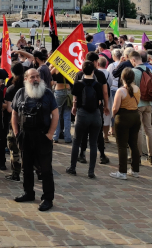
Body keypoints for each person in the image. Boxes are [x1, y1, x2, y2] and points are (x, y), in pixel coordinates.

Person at [11, 68, 59, 211]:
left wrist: (50, 134)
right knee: (26, 167)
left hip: (42, 135)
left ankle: (48, 198)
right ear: (26, 79)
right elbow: (14, 114)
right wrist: (16, 133)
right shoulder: (20, 93)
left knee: (45, 169)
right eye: (32, 77)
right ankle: (28, 193)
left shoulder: (48, 94)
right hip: (25, 135)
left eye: (38, 76)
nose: (36, 79)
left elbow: (55, 115)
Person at [67, 61, 105, 178]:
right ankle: (91, 171)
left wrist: (74, 108)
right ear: (93, 71)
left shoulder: (78, 83)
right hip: (95, 114)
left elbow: (75, 99)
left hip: (82, 114)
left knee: (77, 141)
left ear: (82, 70)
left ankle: (73, 167)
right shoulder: (97, 84)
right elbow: (100, 100)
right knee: (93, 143)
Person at [109, 68, 142, 180]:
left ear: (122, 78)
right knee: (133, 144)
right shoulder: (137, 88)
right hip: (135, 116)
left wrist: (113, 116)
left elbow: (115, 107)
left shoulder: (121, 91)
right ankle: (135, 170)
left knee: (122, 146)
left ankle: (122, 171)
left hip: (123, 117)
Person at [51, 66, 72, 144]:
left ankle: (56, 136)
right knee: (67, 115)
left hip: (58, 91)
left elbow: (49, 73)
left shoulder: (58, 67)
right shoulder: (70, 66)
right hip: (68, 91)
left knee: (57, 114)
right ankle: (68, 137)